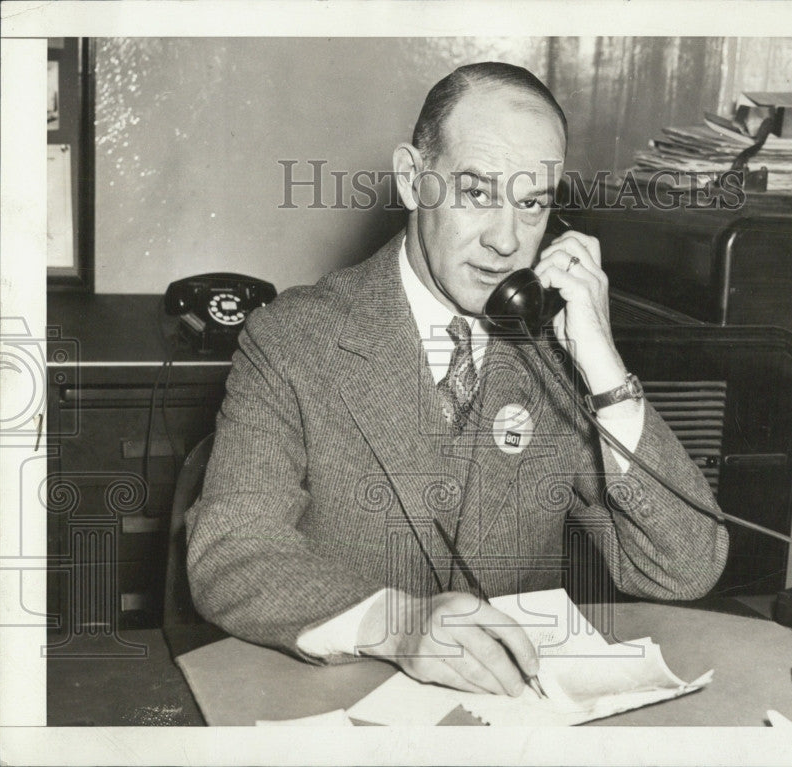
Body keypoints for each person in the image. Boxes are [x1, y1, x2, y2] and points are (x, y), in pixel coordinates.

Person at [187, 61, 729, 698]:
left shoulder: (556, 348)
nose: (505, 241)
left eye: (531, 205)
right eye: (477, 194)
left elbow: (682, 569)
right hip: (341, 706)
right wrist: (400, 623)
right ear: (414, 180)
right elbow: (231, 550)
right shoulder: (294, 339)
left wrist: (605, 372)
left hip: (513, 718)